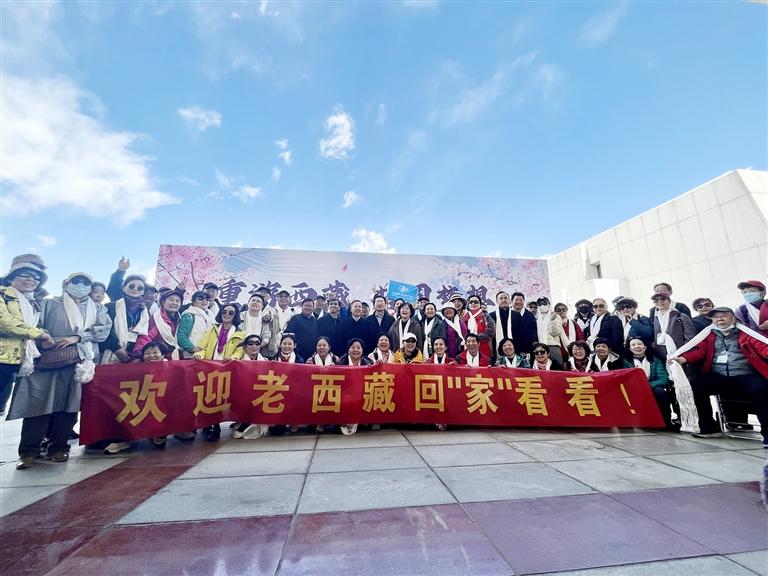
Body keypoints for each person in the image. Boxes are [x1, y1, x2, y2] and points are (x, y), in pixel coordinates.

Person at [10, 272, 111, 469]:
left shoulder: (97, 308)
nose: (81, 285)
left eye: (86, 283)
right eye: (76, 281)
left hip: (78, 362)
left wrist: (78, 337)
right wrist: (45, 339)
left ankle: (58, 447)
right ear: (66, 284)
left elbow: (103, 330)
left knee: (69, 406)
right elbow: (34, 324)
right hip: (45, 359)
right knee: (37, 405)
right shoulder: (48, 303)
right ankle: (29, 451)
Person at [668, 306, 768, 446]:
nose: (719, 319)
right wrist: (683, 359)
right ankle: (708, 427)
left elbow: (763, 347)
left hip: (745, 375)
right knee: (697, 385)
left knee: (761, 389)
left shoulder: (746, 333)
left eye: (724, 315)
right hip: (719, 375)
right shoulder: (709, 334)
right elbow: (699, 350)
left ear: (733, 317)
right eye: (716, 317)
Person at [0, 263, 55, 416]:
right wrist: (40, 334)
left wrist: (44, 335)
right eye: (25, 274)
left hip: (15, 359)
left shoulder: (32, 303)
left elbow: (31, 326)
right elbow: (4, 322)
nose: (31, 279)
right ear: (10, 278)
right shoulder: (3, 293)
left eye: (36, 277)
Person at [194, 303, 245, 442]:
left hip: (226, 370)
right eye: (224, 311)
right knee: (208, 398)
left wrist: (234, 357)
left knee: (220, 399)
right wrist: (200, 354)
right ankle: (210, 425)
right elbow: (203, 347)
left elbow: (240, 350)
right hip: (209, 368)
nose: (227, 314)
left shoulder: (240, 333)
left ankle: (216, 426)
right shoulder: (213, 329)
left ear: (235, 316)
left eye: (231, 312)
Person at [624, 336, 676, 430]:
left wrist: (646, 386)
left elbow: (663, 379)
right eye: (633, 345)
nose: (637, 346)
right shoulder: (626, 362)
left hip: (653, 387)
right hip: (634, 389)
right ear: (629, 348)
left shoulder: (655, 360)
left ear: (645, 347)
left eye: (640, 344)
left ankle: (666, 422)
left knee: (660, 392)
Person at [102, 274, 150, 364]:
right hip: (111, 352)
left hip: (134, 357)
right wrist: (116, 349)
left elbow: (143, 335)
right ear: (124, 288)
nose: (135, 289)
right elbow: (103, 331)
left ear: (143, 292)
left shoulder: (144, 311)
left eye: (140, 288)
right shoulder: (110, 307)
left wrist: (137, 354)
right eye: (131, 286)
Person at [232, 335, 270, 440]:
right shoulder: (237, 361)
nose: (254, 346)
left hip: (260, 395)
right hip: (242, 394)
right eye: (251, 343)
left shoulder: (265, 361)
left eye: (257, 343)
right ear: (245, 346)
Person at [335, 338, 372, 436]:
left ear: (362, 350)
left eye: (358, 348)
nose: (356, 350)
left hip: (362, 394)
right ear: (348, 350)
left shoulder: (368, 363)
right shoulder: (340, 363)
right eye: (353, 347)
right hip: (345, 395)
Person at [133, 289, 183, 360]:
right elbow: (146, 337)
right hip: (158, 358)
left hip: (177, 357)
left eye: (177, 301)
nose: (174, 303)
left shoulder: (181, 319)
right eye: (171, 300)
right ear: (163, 302)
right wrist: (138, 355)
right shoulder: (156, 319)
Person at [650, 292, 695, 362]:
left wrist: (684, 355)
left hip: (680, 355)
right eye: (656, 301)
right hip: (661, 356)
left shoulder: (681, 316)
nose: (659, 302)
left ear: (669, 301)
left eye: (662, 299)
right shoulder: (654, 318)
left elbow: (690, 338)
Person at [240, 294, 279, 358]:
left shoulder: (264, 320)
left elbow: (266, 337)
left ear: (262, 306)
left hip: (257, 352)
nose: (255, 302)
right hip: (240, 349)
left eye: (258, 301)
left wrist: (256, 346)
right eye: (253, 300)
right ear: (248, 303)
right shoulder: (240, 317)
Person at [510, 292, 537, 357]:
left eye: (521, 300)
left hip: (528, 349)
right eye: (516, 300)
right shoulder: (508, 315)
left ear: (524, 301)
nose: (518, 302)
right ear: (512, 301)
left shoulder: (530, 315)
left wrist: (534, 342)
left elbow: (534, 331)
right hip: (512, 350)